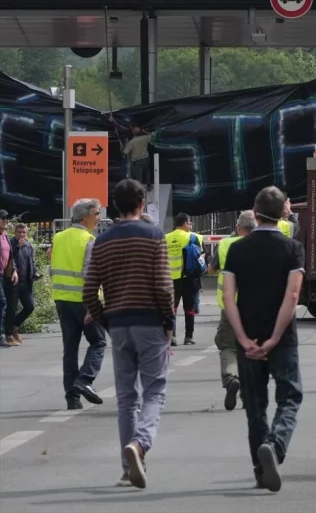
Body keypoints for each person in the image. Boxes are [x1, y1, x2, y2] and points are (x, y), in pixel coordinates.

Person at [82, 179, 174, 488]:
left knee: (125, 398)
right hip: (150, 323)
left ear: (117, 205)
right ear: (140, 204)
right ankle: (141, 443)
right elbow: (163, 285)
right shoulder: (154, 236)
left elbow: (89, 291)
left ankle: (127, 468)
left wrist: (105, 320)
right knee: (155, 390)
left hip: (118, 324)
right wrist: (169, 322)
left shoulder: (102, 241)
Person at [221, 186, 305, 492]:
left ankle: (260, 471)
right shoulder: (292, 248)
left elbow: (229, 297)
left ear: (255, 215)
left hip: (248, 336)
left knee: (255, 406)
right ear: (283, 211)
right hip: (282, 338)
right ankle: (277, 443)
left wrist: (243, 339)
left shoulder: (236, 249)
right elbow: (292, 295)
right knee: (290, 397)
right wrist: (275, 337)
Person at [50, 198, 107, 409]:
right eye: (97, 213)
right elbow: (89, 274)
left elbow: (52, 268)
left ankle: (72, 398)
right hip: (83, 301)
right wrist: (94, 304)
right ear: (85, 216)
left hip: (61, 299)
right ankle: (84, 380)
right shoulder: (89, 240)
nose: (99, 217)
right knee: (99, 342)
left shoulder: (59, 237)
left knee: (70, 349)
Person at [207, 210, 257, 411]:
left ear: (238, 227)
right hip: (254, 309)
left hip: (229, 308)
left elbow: (211, 270)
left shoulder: (226, 244)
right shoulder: (264, 246)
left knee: (228, 346)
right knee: (251, 350)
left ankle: (230, 378)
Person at [165, 213, 203, 346]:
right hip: (188, 278)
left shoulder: (165, 238)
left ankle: (172, 337)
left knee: (171, 309)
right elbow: (200, 258)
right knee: (189, 308)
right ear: (186, 223)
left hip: (170, 279)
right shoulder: (193, 237)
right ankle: (188, 337)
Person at [5, 223, 36, 345]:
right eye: (19, 232)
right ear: (15, 233)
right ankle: (9, 335)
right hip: (13, 281)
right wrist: (18, 246)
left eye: (24, 232)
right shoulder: (11, 244)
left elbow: (31, 262)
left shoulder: (28, 245)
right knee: (11, 308)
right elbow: (10, 260)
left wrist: (35, 272)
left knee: (30, 306)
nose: (22, 235)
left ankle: (14, 326)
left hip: (26, 281)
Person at [0, 209, 13, 349]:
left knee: (4, 302)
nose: (5, 220)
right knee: (2, 301)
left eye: (6, 218)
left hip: (4, 274)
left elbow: (10, 256)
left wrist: (13, 270)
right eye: (2, 218)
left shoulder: (5, 236)